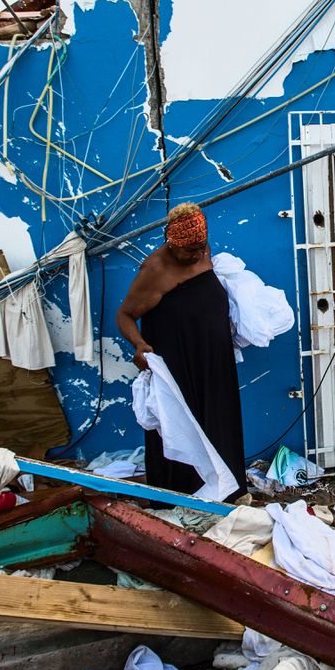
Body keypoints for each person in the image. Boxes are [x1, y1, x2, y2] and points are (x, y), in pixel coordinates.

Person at [116, 203, 247, 501]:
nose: (197, 255)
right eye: (189, 250)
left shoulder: (201, 249)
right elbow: (124, 315)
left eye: (201, 247)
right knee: (182, 424)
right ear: (171, 243)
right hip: (178, 362)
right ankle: (181, 496)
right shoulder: (155, 269)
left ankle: (227, 492)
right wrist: (139, 345)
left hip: (212, 358)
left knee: (218, 418)